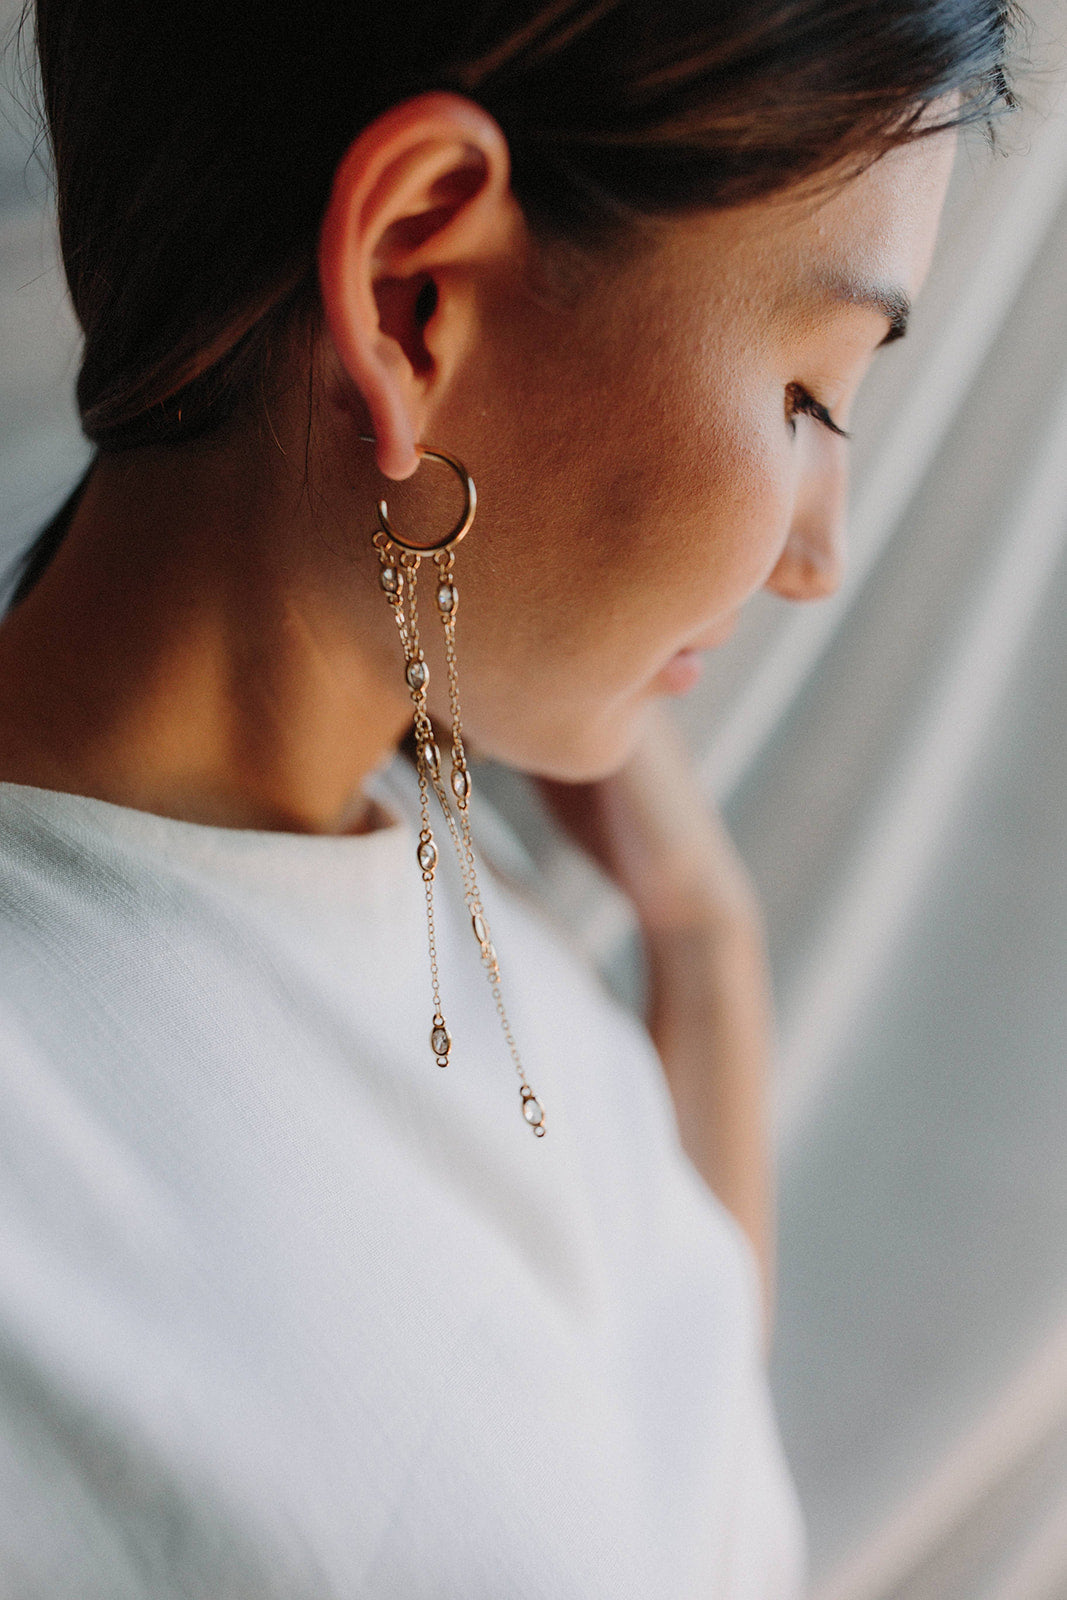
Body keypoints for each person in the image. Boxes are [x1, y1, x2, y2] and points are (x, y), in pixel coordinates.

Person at [0, 0, 1020, 1594]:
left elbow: (653, 1468)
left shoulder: (442, 875)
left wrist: (704, 949)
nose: (819, 557)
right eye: (810, 397)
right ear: (414, 290)